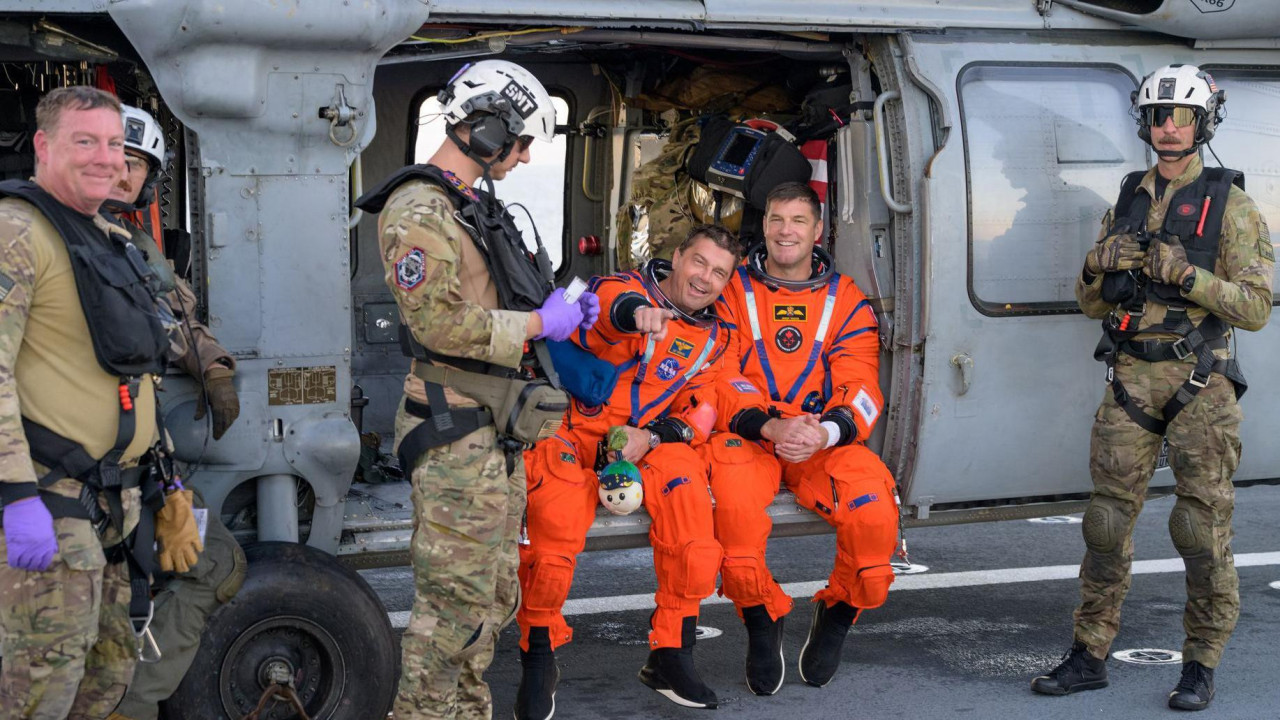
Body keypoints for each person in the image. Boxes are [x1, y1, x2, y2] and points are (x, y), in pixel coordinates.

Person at [354, 60, 598, 720]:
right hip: (456, 433)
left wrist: (560, 310)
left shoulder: (467, 207)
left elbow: (489, 295)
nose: (522, 159)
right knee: (450, 615)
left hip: (494, 432)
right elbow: (436, 321)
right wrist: (539, 323)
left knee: (489, 603)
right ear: (487, 129)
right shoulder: (418, 211)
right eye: (519, 145)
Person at [1031, 64, 1273, 711]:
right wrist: (1095, 264)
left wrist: (1187, 278)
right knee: (1105, 524)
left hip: (1201, 382)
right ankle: (1090, 653)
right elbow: (1090, 302)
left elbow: (1255, 306)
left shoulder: (1232, 205)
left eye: (1182, 116)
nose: (1169, 126)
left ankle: (1200, 662)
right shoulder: (1128, 199)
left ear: (1201, 124)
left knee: (1199, 527)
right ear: (1147, 123)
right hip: (1130, 377)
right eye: (1159, 115)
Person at [516, 224, 778, 717]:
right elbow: (609, 311)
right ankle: (538, 656)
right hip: (575, 428)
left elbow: (701, 410)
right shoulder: (625, 289)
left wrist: (652, 438)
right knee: (554, 521)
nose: (705, 278)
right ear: (676, 257)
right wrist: (636, 316)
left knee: (691, 510)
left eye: (719, 273)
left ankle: (671, 655)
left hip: (644, 440)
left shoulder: (719, 337)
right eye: (698, 262)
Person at [0, 86, 202, 718]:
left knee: (104, 688)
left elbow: (138, 376)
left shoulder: (108, 241)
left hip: (119, 509)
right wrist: (14, 497)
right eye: (84, 141)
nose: (105, 159)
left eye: (114, 145)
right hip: (51, 502)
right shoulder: (17, 232)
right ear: (43, 145)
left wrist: (167, 483)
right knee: (40, 694)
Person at [701, 182, 899, 695]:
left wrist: (824, 432)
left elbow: (862, 386)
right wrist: (769, 425)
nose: (785, 231)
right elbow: (720, 375)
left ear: (817, 229)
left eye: (798, 220)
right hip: (750, 438)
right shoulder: (730, 294)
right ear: (763, 226)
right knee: (736, 528)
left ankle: (838, 612)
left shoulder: (846, 301)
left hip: (820, 442)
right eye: (775, 220)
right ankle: (762, 620)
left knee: (875, 519)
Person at [105, 104, 247, 720]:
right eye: (109, 156)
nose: (119, 173)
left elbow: (176, 316)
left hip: (136, 464)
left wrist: (212, 364)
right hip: (80, 477)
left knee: (216, 562)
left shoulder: (134, 247)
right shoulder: (52, 243)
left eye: (133, 163)